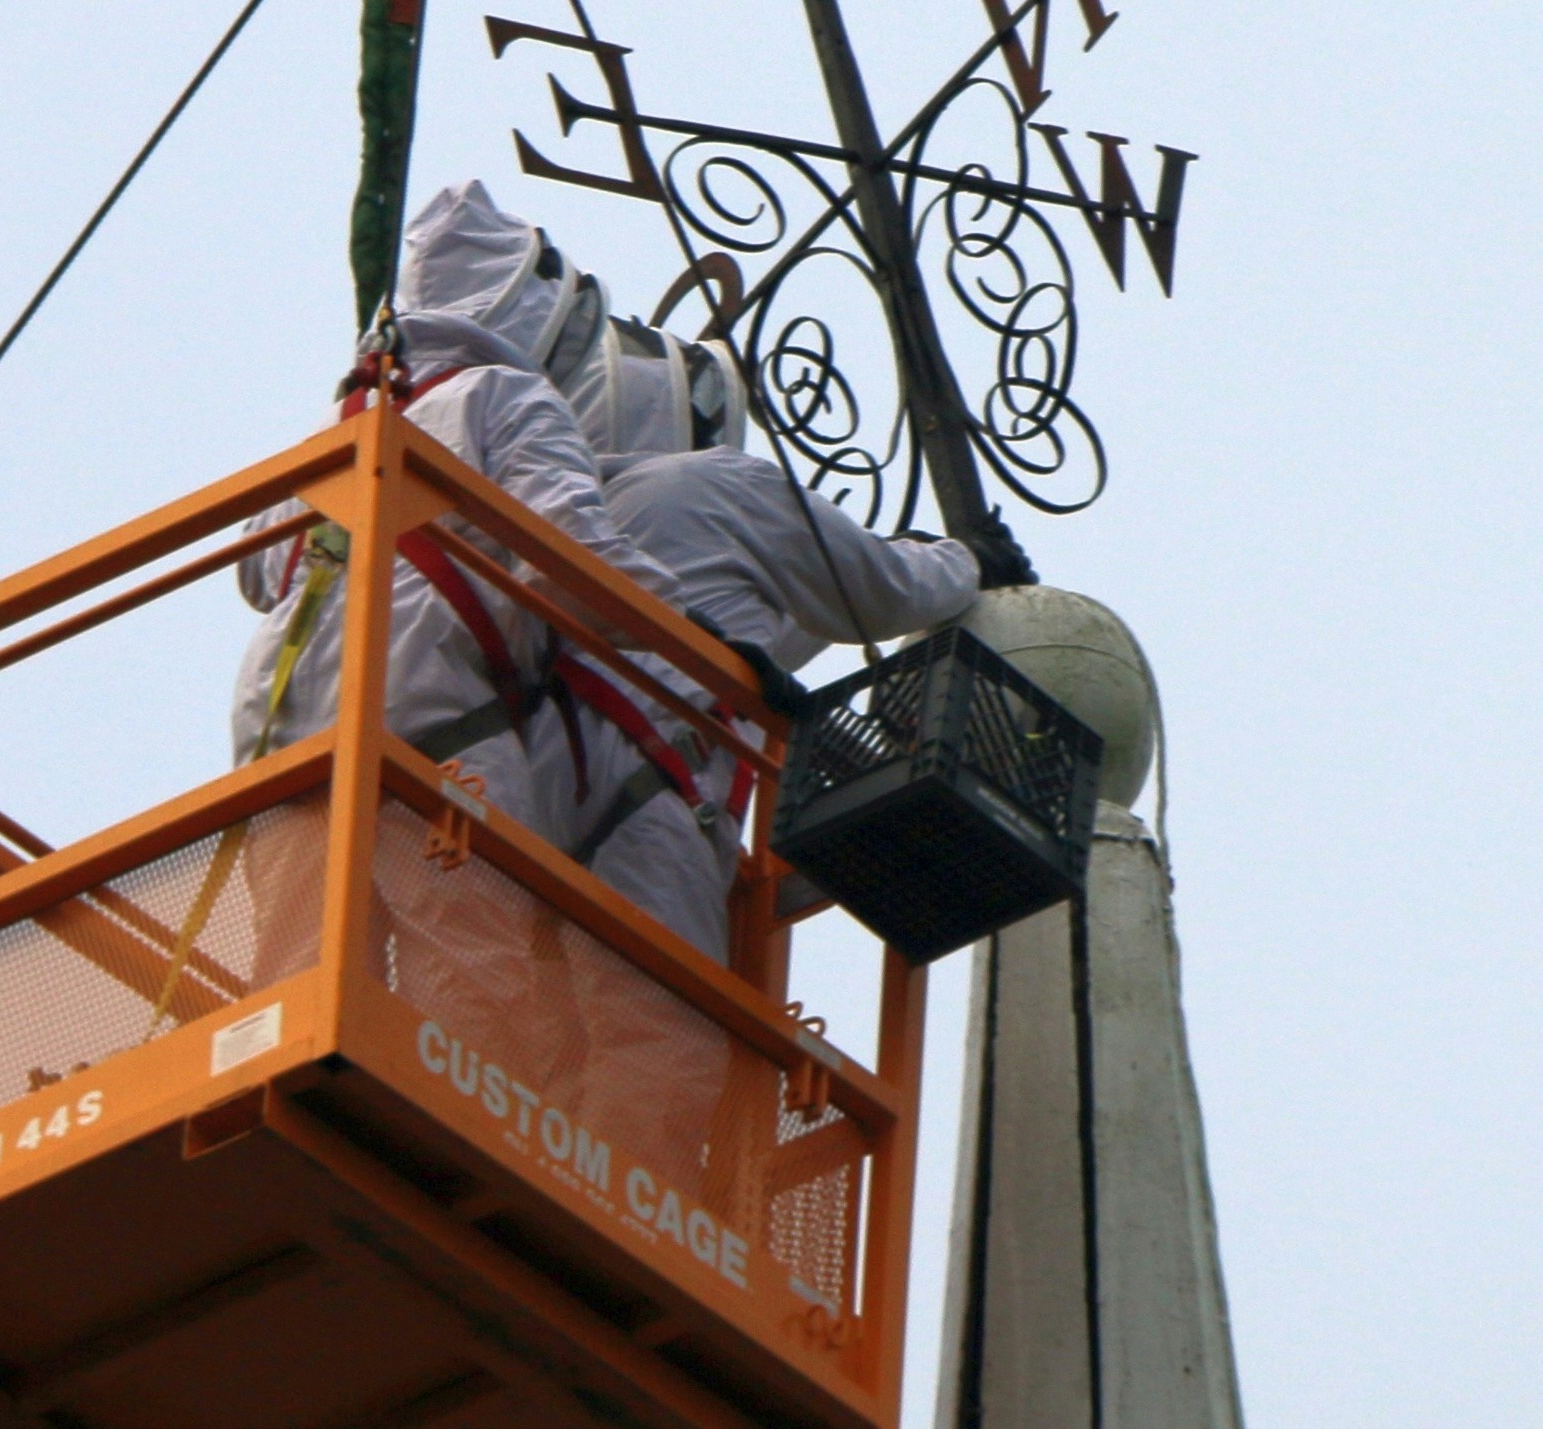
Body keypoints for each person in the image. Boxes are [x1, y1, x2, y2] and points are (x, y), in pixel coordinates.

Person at [565, 312, 981, 968]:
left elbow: (741, 641)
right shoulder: (715, 482)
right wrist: (963, 559)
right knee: (659, 1038)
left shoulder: (579, 523)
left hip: (546, 826)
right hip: (657, 830)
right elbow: (882, 592)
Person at [225, 185, 622, 860]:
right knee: (469, 956)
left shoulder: (339, 422)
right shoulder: (505, 394)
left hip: (276, 720)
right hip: (435, 712)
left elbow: (258, 575)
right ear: (527, 309)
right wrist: (665, 621)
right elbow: (572, 549)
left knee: (297, 950)